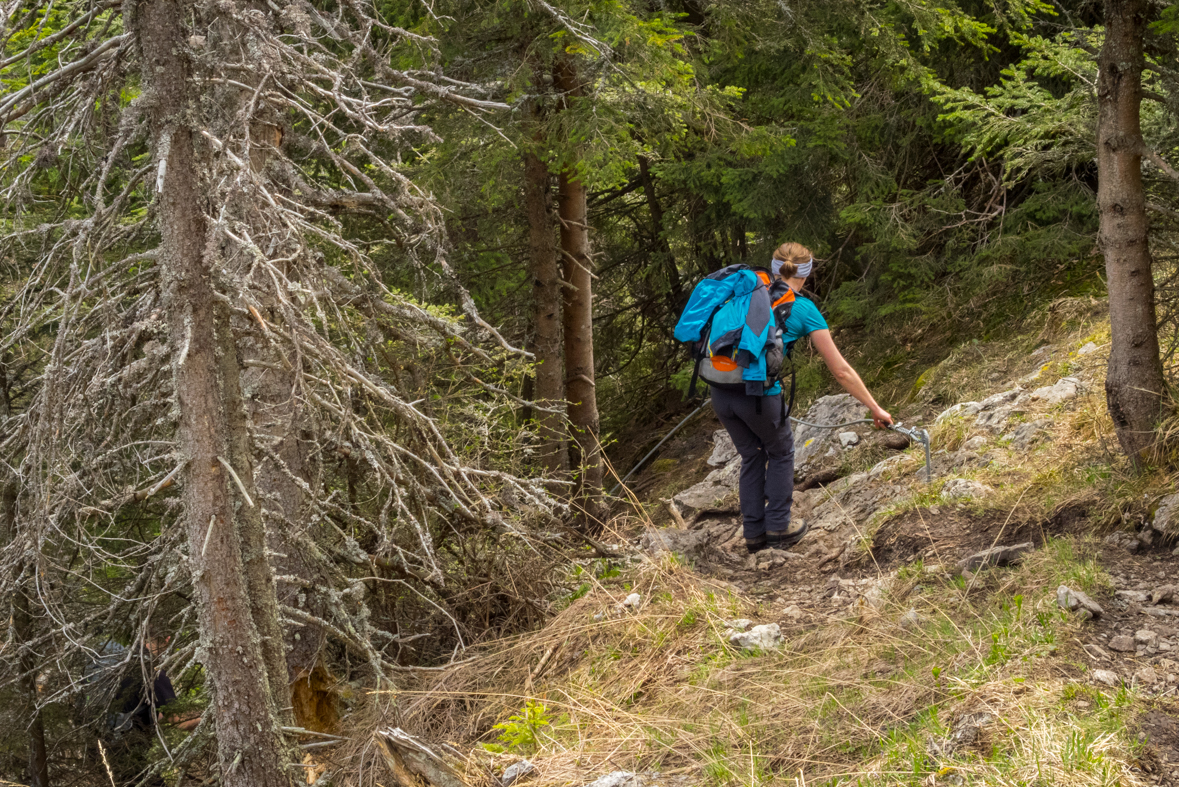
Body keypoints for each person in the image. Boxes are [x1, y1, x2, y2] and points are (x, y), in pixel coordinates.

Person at [704, 242, 893, 554]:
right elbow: (841, 371)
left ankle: (753, 533)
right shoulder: (803, 309)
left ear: (773, 268)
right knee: (780, 452)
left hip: (720, 391)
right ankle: (779, 526)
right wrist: (874, 408)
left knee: (752, 456)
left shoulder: (741, 290)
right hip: (759, 395)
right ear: (805, 275)